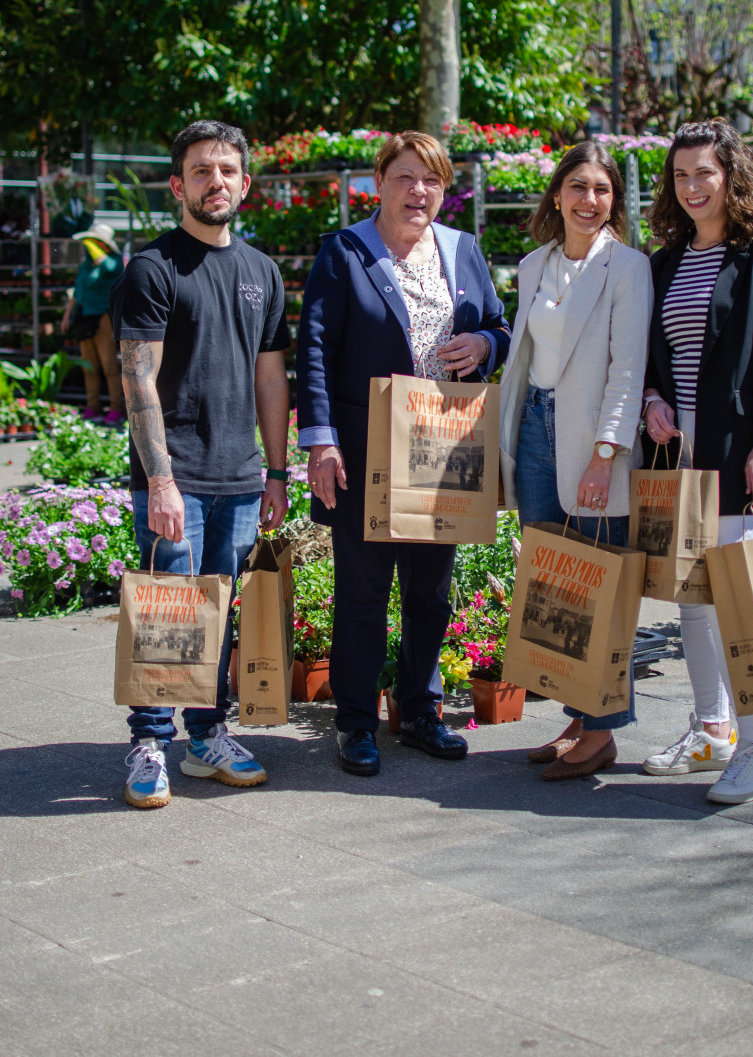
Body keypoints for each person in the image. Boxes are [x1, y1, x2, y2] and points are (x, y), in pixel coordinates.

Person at [296, 130, 510, 777]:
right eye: (405, 177)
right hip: (365, 450)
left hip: (445, 448)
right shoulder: (345, 253)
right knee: (363, 591)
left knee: (431, 593)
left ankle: (419, 712)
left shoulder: (463, 250)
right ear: (378, 183)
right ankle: (357, 723)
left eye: (432, 180)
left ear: (444, 190)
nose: (418, 191)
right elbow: (314, 351)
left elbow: (499, 325)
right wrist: (321, 441)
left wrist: (484, 349)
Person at [111, 119, 291, 810]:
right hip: (176, 479)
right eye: (200, 171)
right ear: (176, 185)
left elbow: (271, 381)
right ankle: (149, 742)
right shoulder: (153, 269)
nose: (214, 182)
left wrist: (276, 473)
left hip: (241, 479)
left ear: (245, 184)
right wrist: (160, 480)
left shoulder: (262, 272)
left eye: (226, 171)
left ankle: (207, 737)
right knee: (167, 614)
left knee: (215, 617)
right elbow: (138, 380)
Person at [641, 118, 753, 804]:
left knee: (744, 606)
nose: (691, 186)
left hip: (744, 453)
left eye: (703, 172)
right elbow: (659, 353)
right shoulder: (665, 262)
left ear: (732, 173)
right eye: (680, 175)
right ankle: (713, 728)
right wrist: (652, 395)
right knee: (696, 604)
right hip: (682, 453)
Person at [499, 141, 653, 780]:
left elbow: (626, 370)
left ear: (614, 201)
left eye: (603, 191)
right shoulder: (535, 264)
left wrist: (604, 455)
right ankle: (580, 713)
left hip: (594, 443)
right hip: (536, 428)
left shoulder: (628, 268)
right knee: (554, 580)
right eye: (579, 188)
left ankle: (604, 731)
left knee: (601, 582)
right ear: (557, 194)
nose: (591, 201)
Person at [61, 222, 125, 423]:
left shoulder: (113, 262)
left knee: (109, 366)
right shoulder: (87, 263)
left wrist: (96, 249)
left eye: (94, 241)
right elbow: (78, 289)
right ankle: (93, 407)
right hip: (83, 318)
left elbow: (112, 270)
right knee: (89, 366)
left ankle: (116, 408)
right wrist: (67, 315)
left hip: (103, 319)